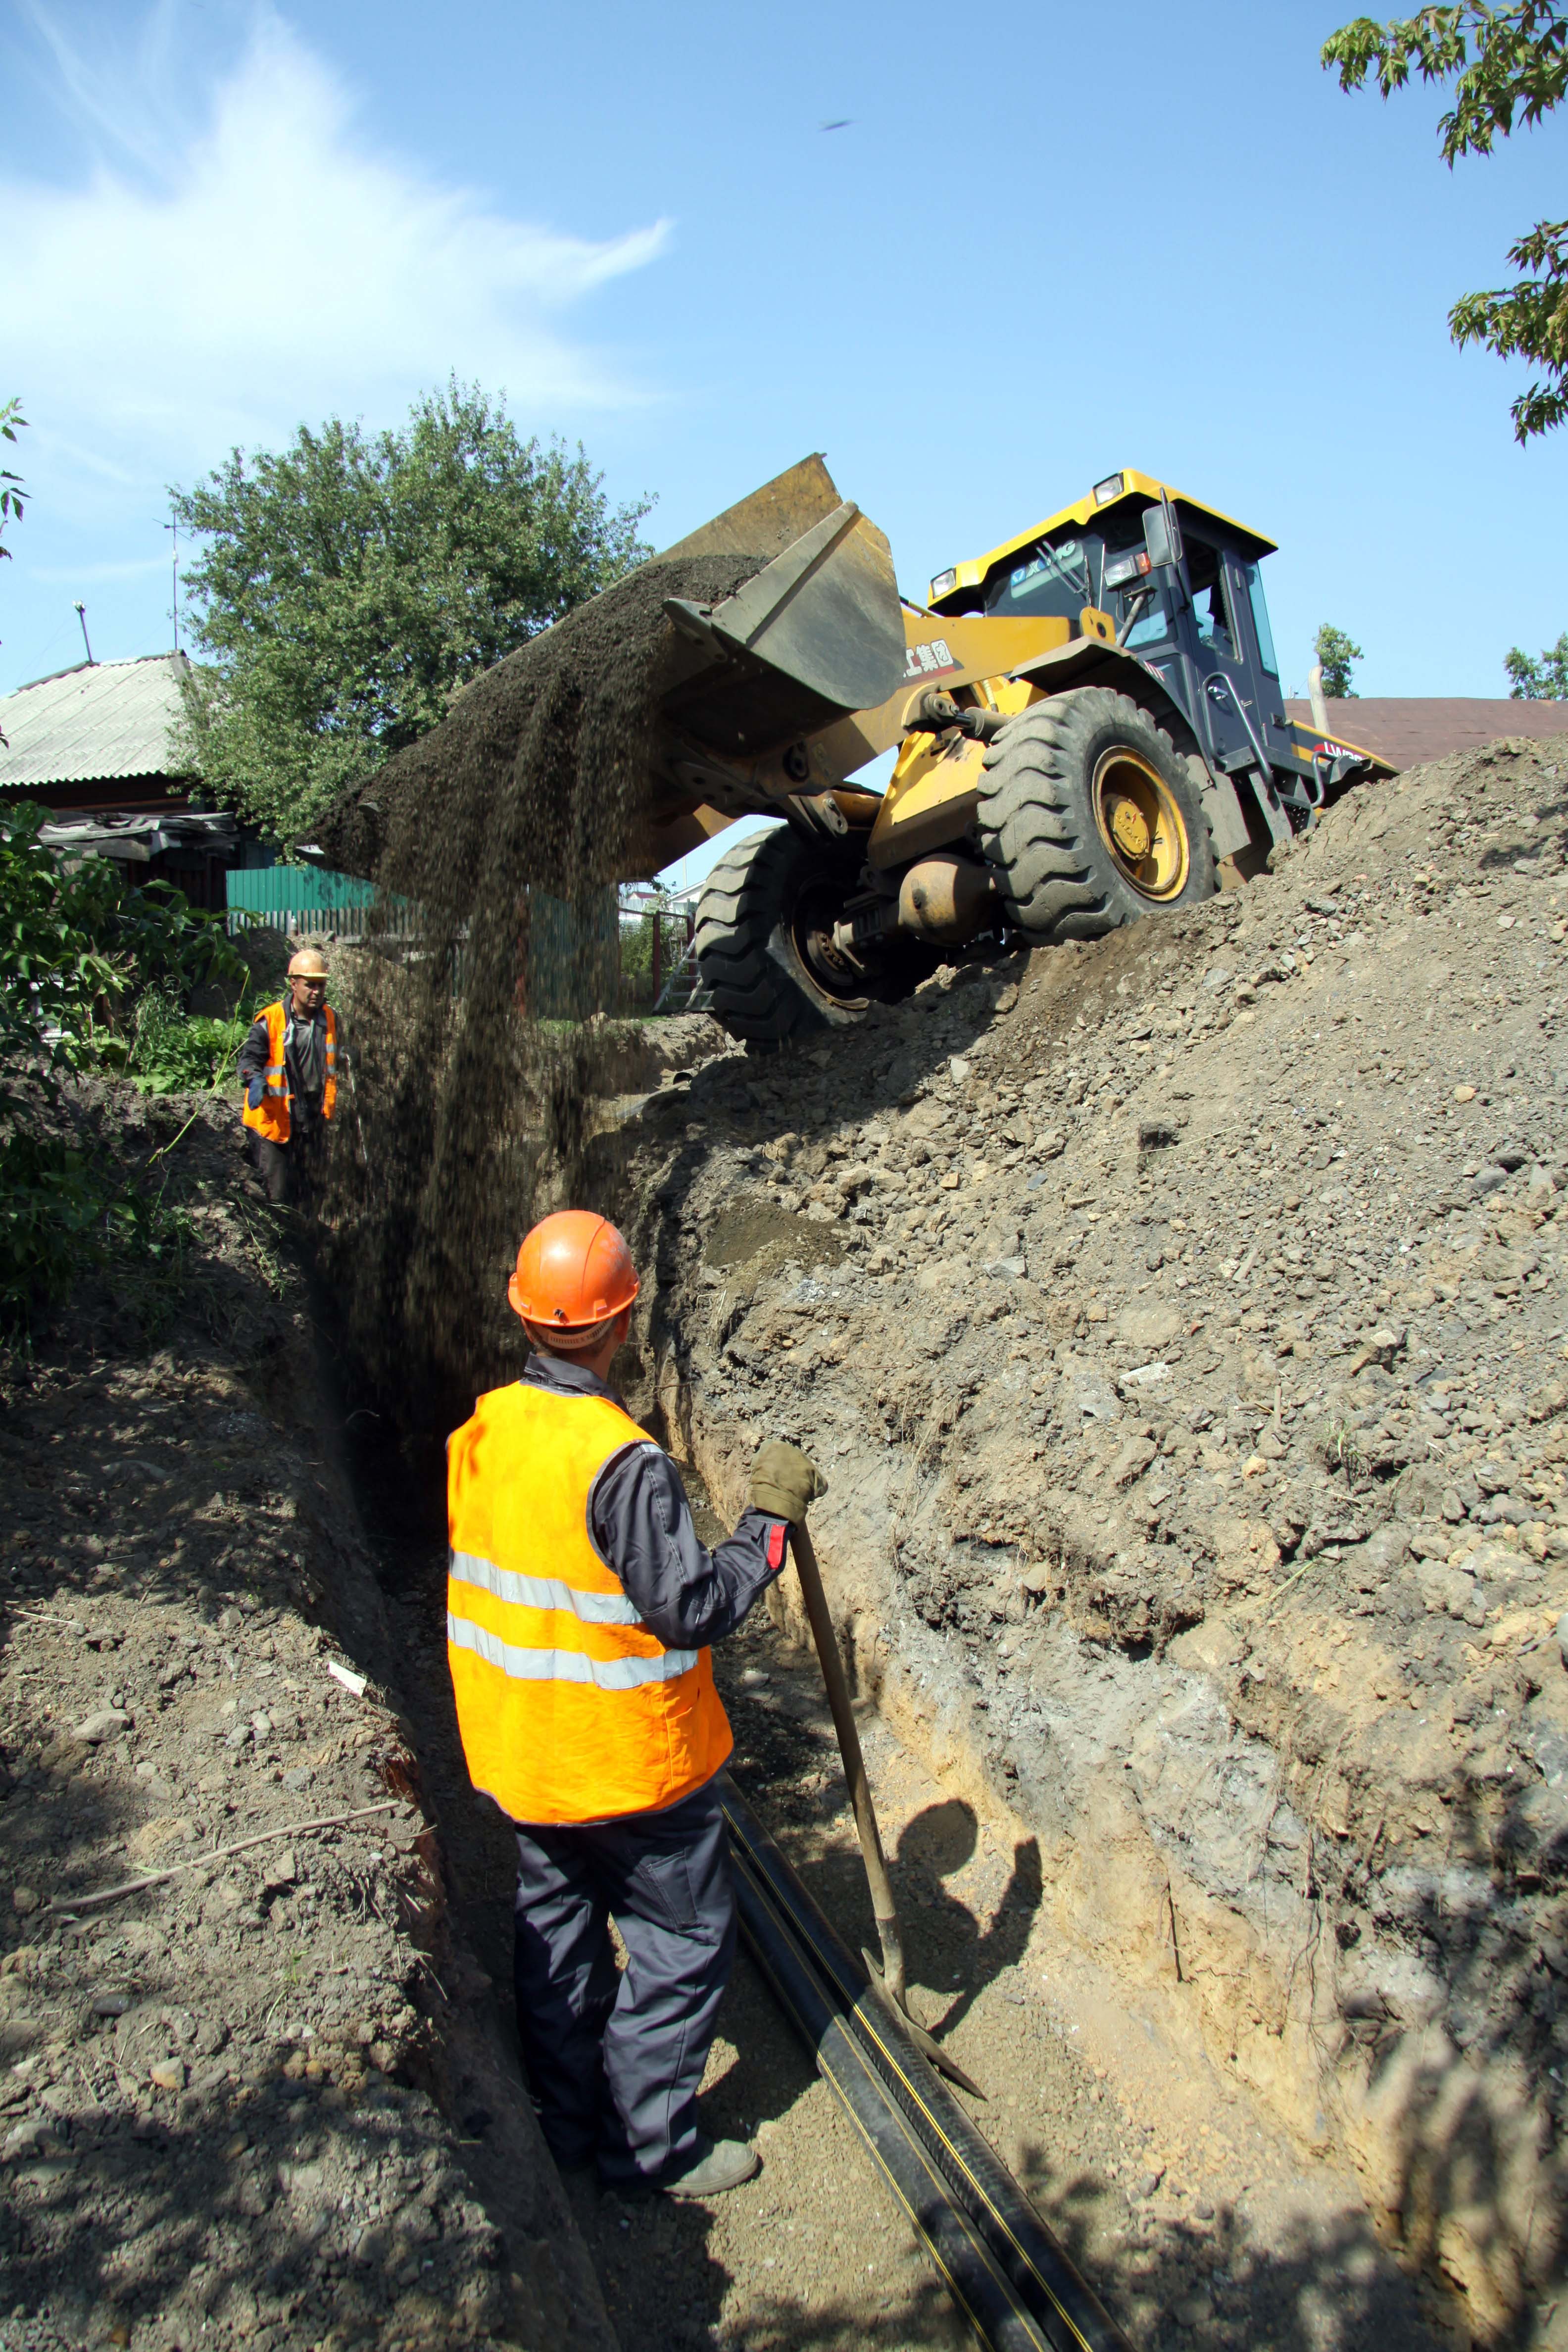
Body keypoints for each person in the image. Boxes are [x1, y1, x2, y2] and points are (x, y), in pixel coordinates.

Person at [446, 1209, 823, 2199]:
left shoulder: (481, 1433)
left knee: (558, 1934)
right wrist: (765, 1533)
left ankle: (567, 2131)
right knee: (684, 1941)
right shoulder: (623, 1463)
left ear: (526, 1318)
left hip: (526, 1754)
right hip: (630, 1769)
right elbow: (689, 1608)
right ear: (621, 1326)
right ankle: (650, 2148)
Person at [237, 945, 339, 1205]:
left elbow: (334, 1055)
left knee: (310, 1187)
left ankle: (308, 1236)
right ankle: (280, 1240)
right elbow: (248, 1060)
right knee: (277, 1193)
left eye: (321, 986)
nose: (317, 992)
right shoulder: (270, 1020)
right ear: (293, 984)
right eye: (310, 985)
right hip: (276, 1118)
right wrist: (255, 1078)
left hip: (313, 1114)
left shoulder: (330, 1018)